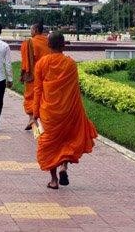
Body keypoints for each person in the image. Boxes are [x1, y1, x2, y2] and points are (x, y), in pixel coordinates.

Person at [33, 31, 97, 189]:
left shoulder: (41, 63)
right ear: (63, 45)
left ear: (49, 45)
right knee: (68, 139)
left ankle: (54, 180)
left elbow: (38, 90)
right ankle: (64, 167)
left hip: (48, 113)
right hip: (68, 111)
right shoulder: (70, 64)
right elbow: (74, 90)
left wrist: (34, 114)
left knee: (48, 144)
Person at [20, 22, 51, 130]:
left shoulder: (29, 43)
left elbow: (26, 62)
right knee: (43, 97)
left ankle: (32, 118)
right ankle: (40, 119)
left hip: (33, 75)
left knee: (30, 96)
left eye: (31, 29)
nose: (30, 31)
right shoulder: (48, 41)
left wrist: (23, 73)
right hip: (46, 75)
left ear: (36, 30)